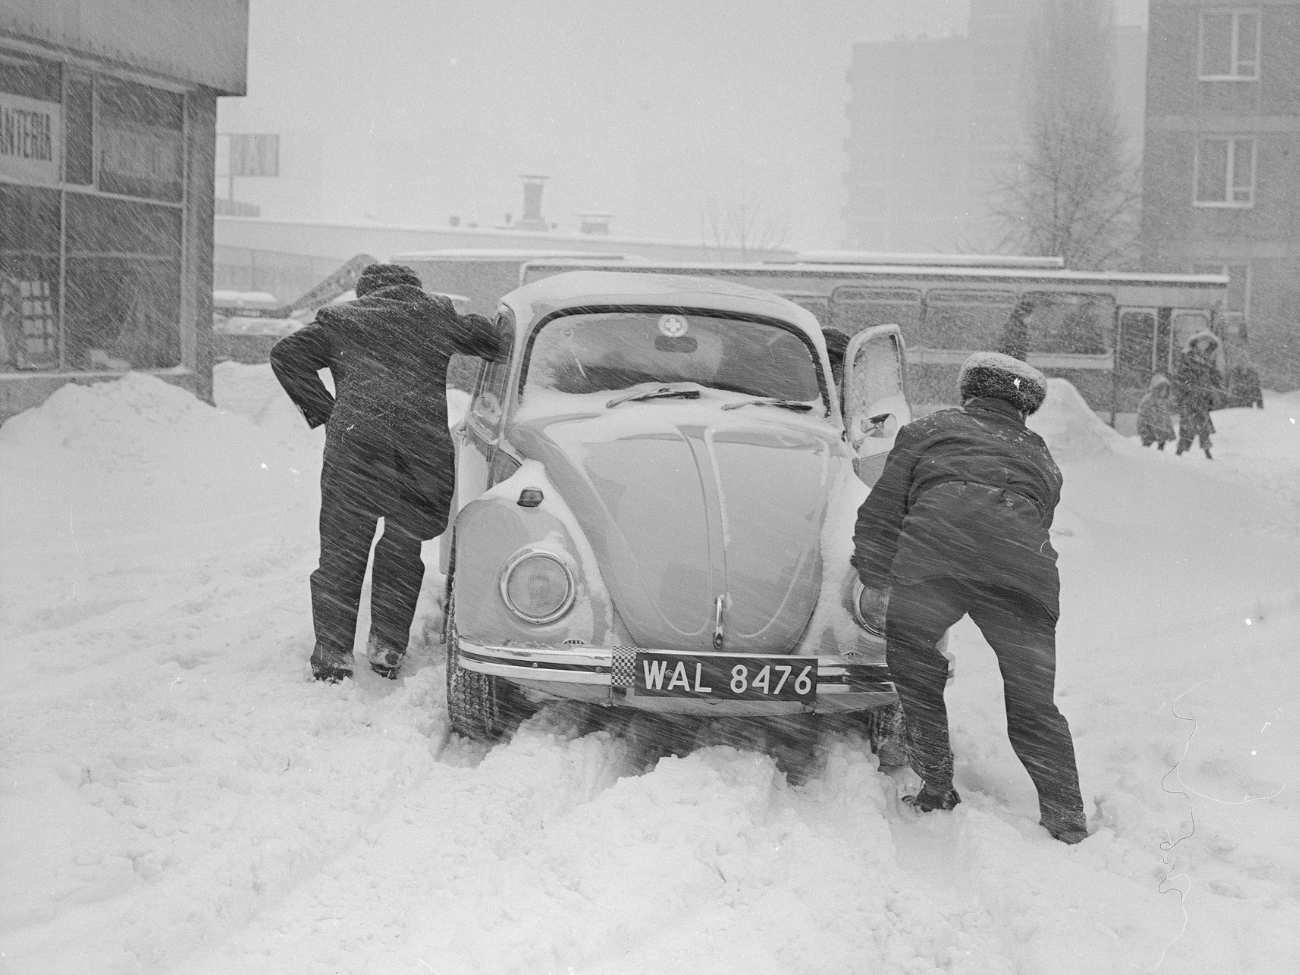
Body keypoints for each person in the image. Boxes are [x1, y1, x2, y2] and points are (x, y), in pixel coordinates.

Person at [849, 351, 1087, 844]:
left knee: (917, 674)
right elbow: (1036, 518)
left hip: (937, 559)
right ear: (1024, 410)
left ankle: (936, 785)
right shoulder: (1041, 455)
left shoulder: (927, 431)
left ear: (968, 394)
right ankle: (1066, 819)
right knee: (1033, 704)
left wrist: (875, 576)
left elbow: (883, 511)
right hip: (1023, 576)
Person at [271, 263, 504, 682]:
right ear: (413, 290)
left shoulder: (342, 321)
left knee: (342, 550)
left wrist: (328, 412)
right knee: (401, 545)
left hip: (356, 448)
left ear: (365, 293)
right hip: (418, 452)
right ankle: (387, 646)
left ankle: (333, 652)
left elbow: (285, 355)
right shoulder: (434, 316)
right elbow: (491, 340)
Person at [1173, 330, 1224, 459]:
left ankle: (1205, 452)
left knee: (1202, 426)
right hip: (1190, 398)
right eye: (1202, 343)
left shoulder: (1203, 358)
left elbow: (1213, 346)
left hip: (1200, 398)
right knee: (1189, 426)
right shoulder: (1189, 357)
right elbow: (1182, 379)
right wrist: (1193, 388)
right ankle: (1181, 451)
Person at [1135, 373, 1176, 450]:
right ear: (1157, 388)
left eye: (1166, 389)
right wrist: (1144, 427)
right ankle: (1144, 458)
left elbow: (1166, 417)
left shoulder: (1164, 401)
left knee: (1161, 444)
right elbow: (1142, 415)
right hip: (1149, 428)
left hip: (1160, 430)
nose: (1164, 391)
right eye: (1162, 389)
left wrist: (1169, 429)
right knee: (1147, 445)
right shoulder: (1148, 400)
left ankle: (1159, 457)